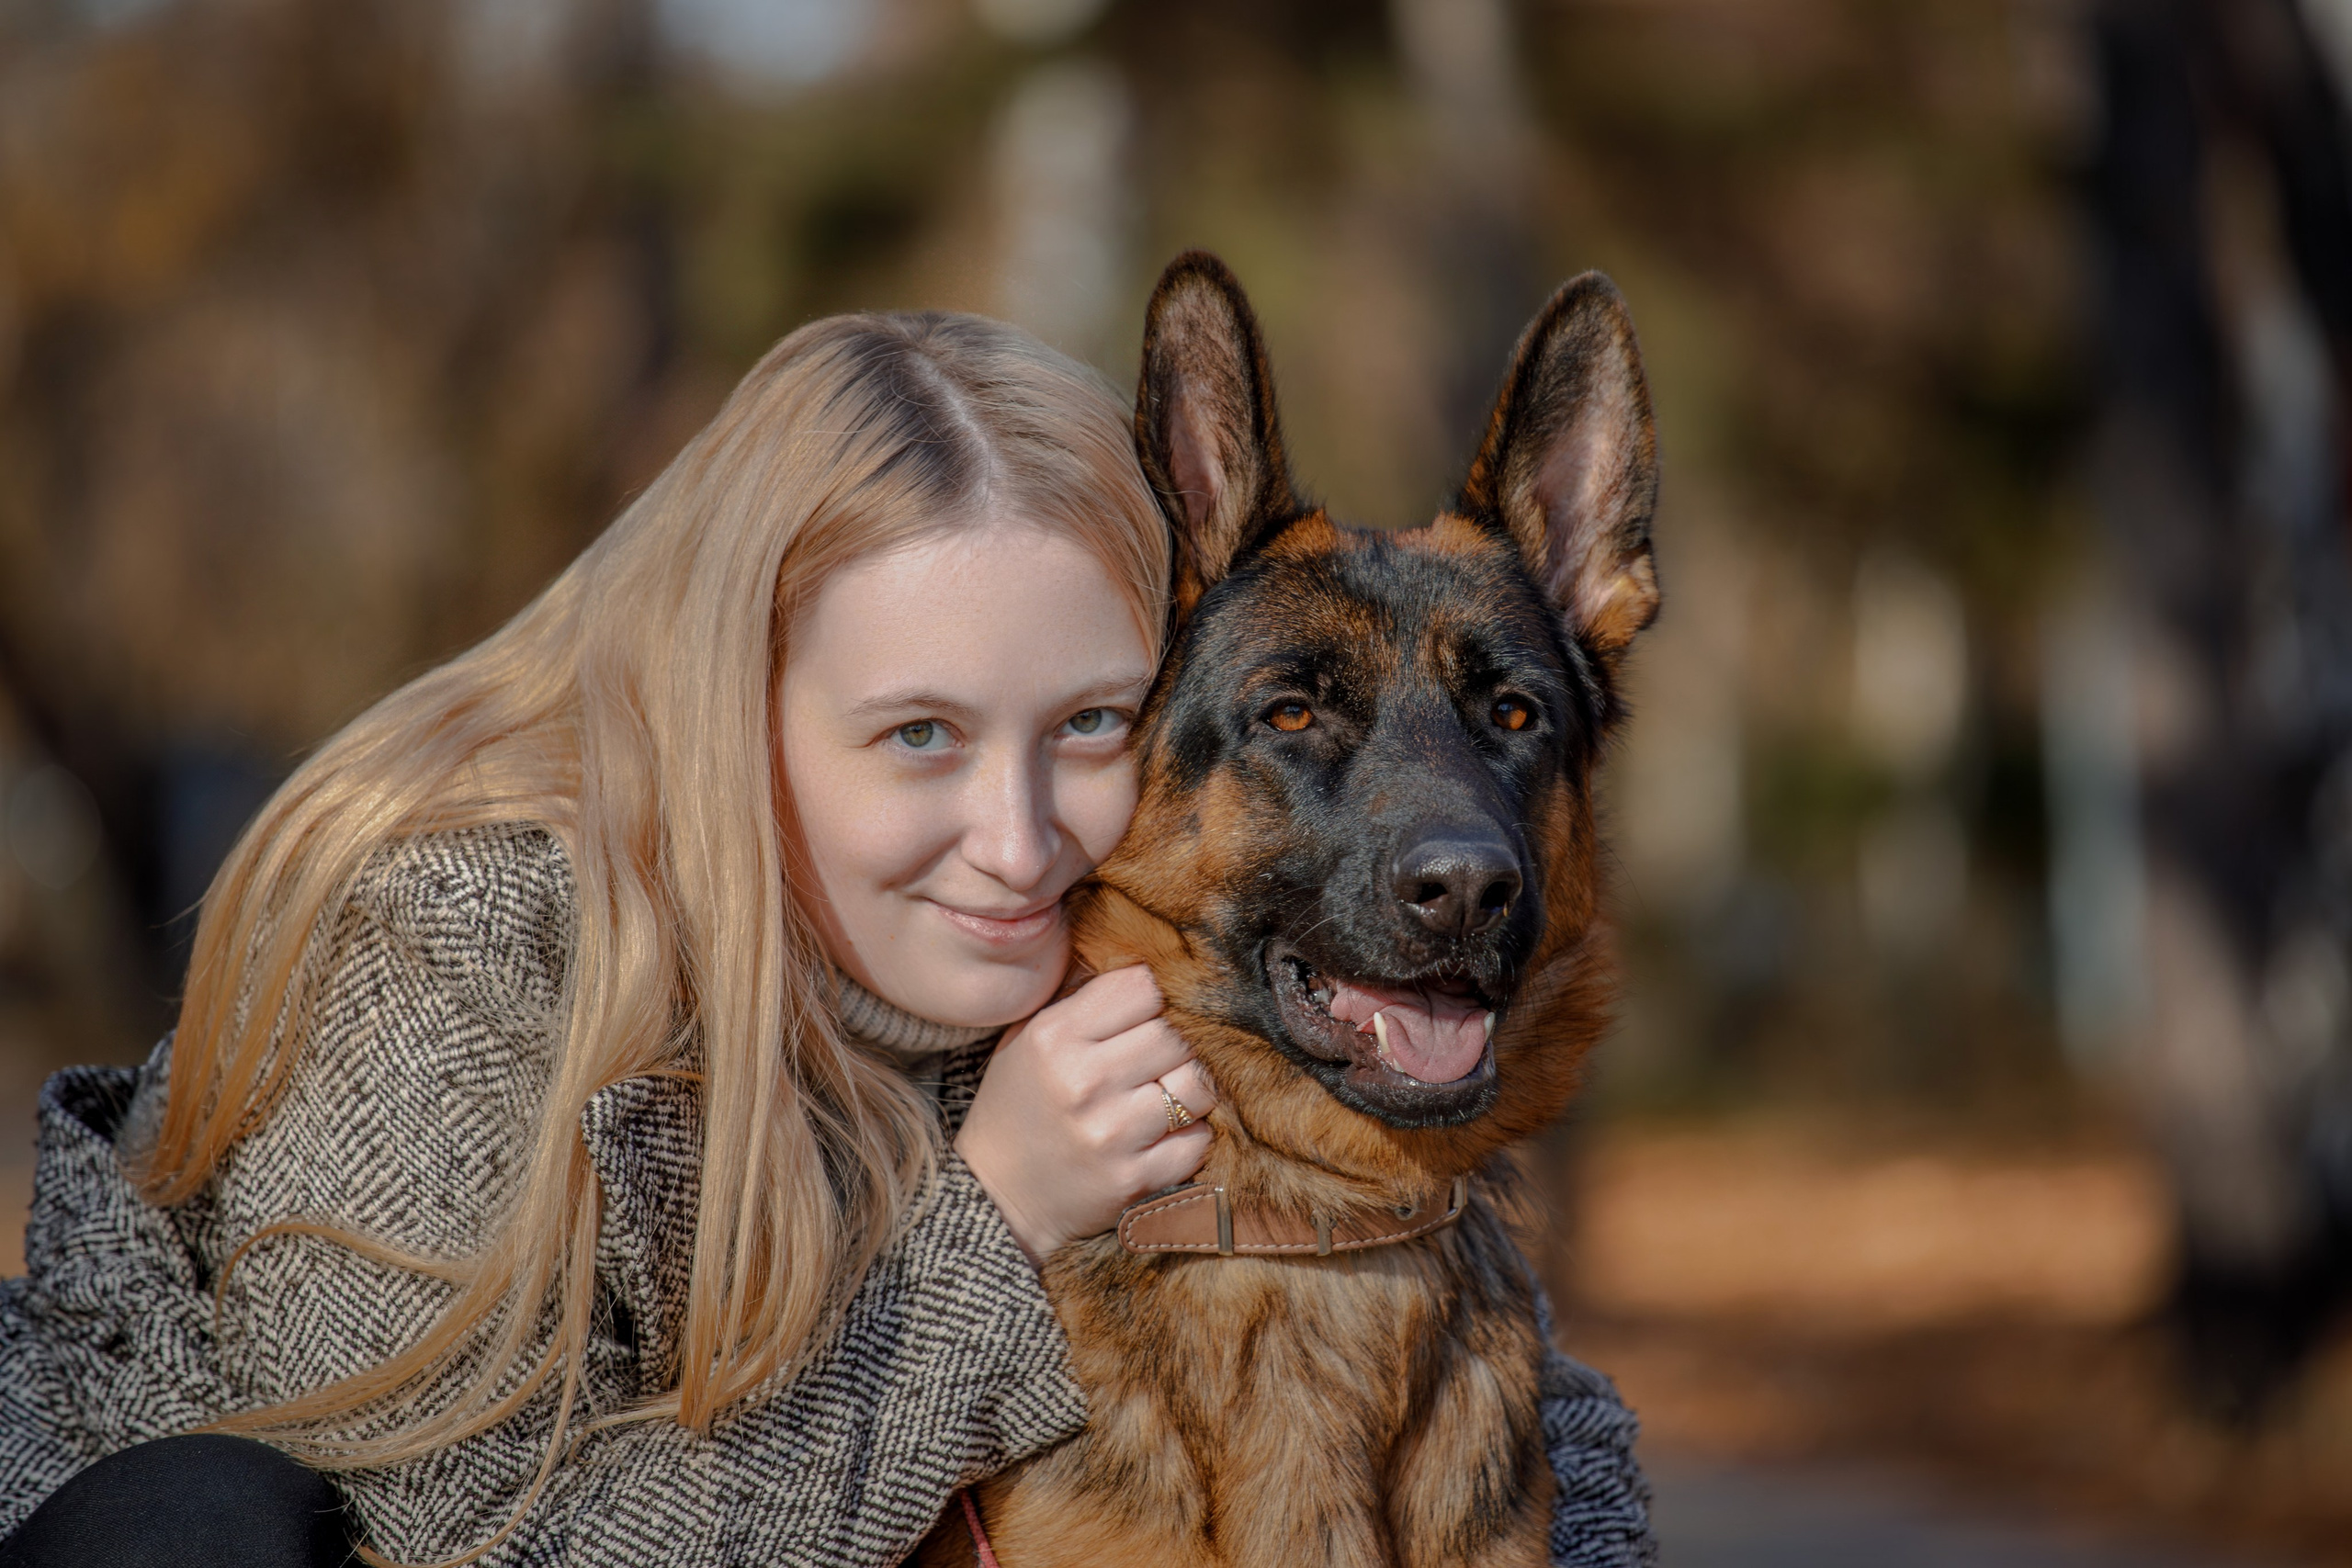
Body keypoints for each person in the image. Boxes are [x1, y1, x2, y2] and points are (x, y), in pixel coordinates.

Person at [0, 310, 1654, 1566]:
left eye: (1086, 721)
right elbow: (484, 1544)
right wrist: (991, 1226)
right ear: (736, 699)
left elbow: (1423, 1308)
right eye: (919, 733)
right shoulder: (463, 947)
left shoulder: (1075, 948)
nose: (1017, 842)